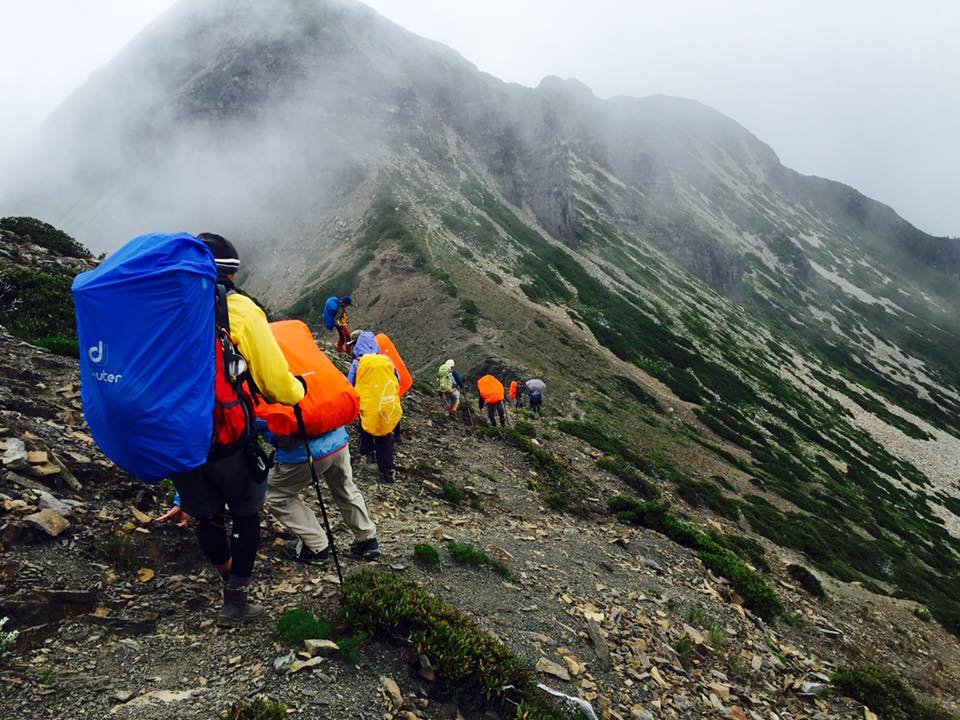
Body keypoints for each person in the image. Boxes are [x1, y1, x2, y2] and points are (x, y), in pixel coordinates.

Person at [158, 233, 305, 627]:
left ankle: (226, 579)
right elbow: (275, 383)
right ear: (231, 274)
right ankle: (235, 599)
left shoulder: (162, 306)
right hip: (227, 438)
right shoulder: (239, 309)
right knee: (245, 514)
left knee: (207, 516)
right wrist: (298, 391)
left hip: (178, 440)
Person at [259, 419, 380, 565]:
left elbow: (255, 424)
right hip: (338, 440)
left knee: (278, 497)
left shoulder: (257, 404)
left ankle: (316, 547)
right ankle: (367, 539)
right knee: (344, 488)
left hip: (305, 453)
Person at [348, 332, 400, 483]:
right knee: (384, 435)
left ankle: (367, 453)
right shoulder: (386, 360)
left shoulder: (358, 362)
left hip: (368, 404)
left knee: (366, 427)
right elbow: (397, 379)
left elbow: (350, 384)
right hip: (386, 402)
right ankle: (387, 470)